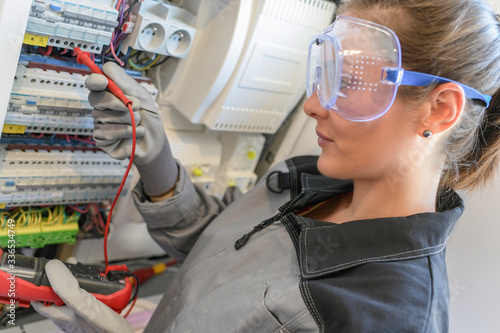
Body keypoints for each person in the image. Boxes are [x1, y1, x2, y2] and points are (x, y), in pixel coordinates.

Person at [33, 0, 500, 332]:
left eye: (351, 80)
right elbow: (213, 252)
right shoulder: (310, 179)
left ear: (440, 110)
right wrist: (155, 159)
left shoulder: (386, 315)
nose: (313, 105)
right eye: (324, 73)